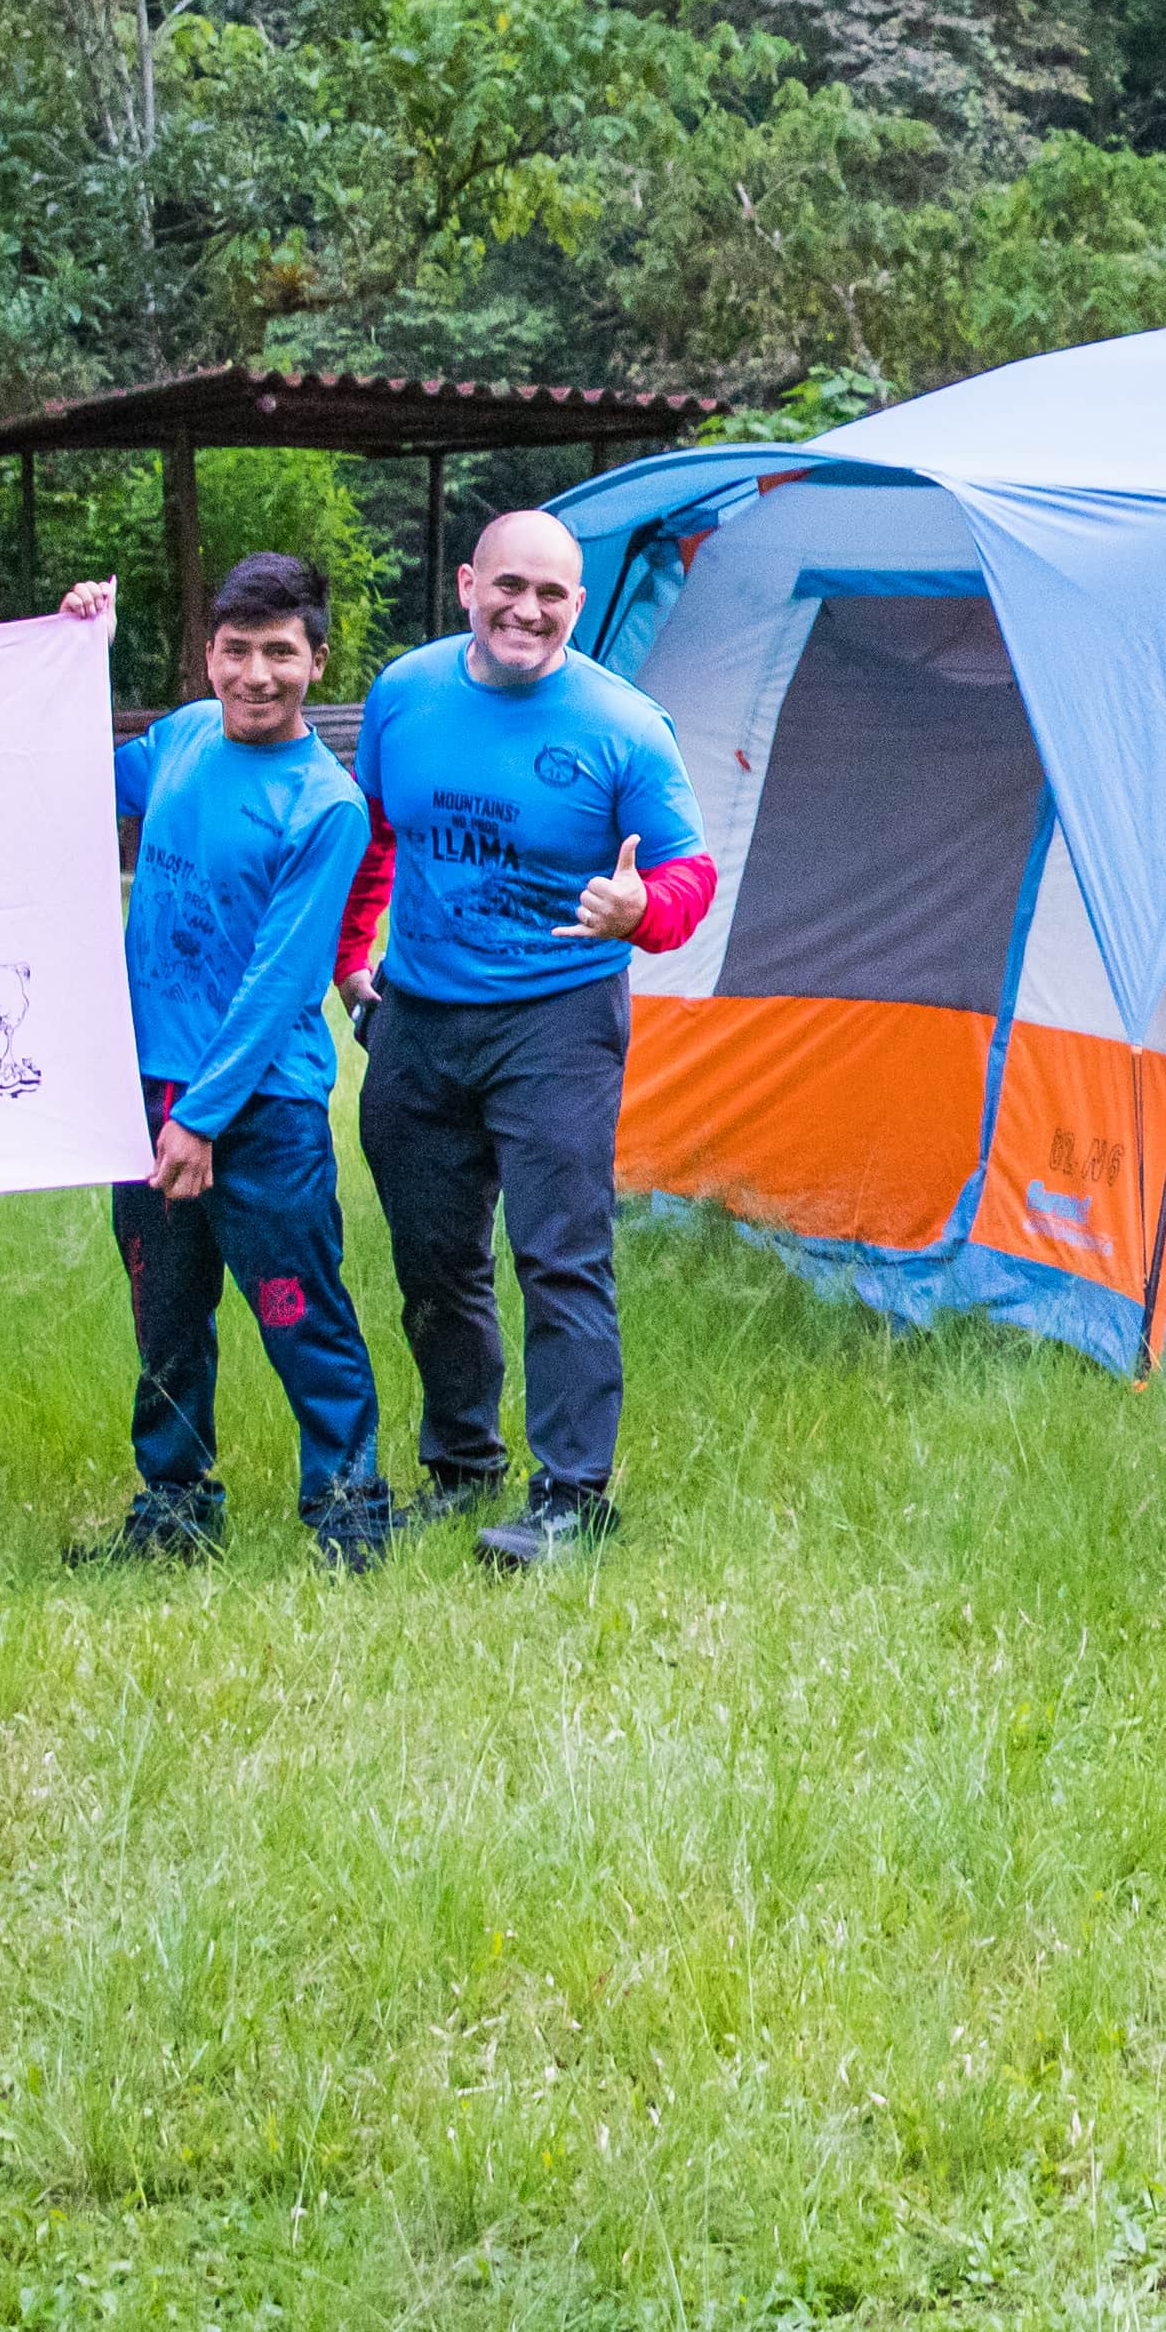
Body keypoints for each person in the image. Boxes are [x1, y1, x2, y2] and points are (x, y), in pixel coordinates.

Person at [354, 505, 711, 1571]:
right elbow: (375, 834)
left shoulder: (626, 725)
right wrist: (346, 958)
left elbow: (689, 876)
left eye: (553, 593)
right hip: (417, 1014)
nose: (529, 608)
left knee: (561, 1256)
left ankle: (573, 1495)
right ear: (468, 584)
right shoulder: (403, 694)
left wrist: (638, 911)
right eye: (510, 585)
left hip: (557, 1018)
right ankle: (463, 1463)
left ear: (578, 604)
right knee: (434, 1259)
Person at [71, 554, 400, 1570]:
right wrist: (82, 652)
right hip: (145, 1089)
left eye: (280, 652)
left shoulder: (325, 804)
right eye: (236, 650)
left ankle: (349, 1514)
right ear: (208, 652)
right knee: (164, 1313)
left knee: (301, 1313)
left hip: (261, 1108)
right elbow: (63, 771)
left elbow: (278, 980)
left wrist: (202, 1119)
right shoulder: (175, 739)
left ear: (317, 659)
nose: (256, 674)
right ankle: (174, 1507)